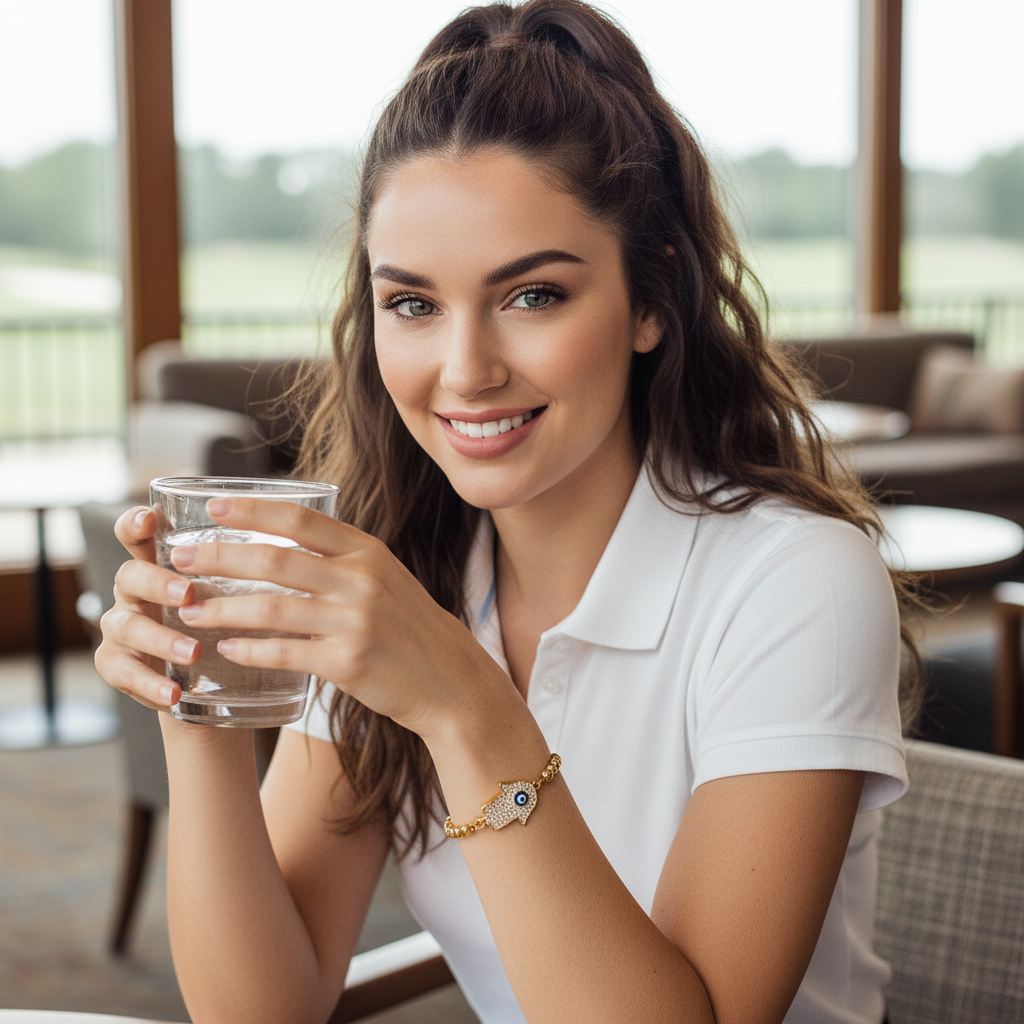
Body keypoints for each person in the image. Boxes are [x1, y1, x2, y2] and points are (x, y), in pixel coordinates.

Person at [97, 2, 920, 1022]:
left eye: (531, 295)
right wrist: (203, 709)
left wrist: (461, 700)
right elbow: (262, 1008)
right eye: (412, 304)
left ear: (652, 298)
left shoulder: (794, 583)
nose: (465, 370)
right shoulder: (400, 568)